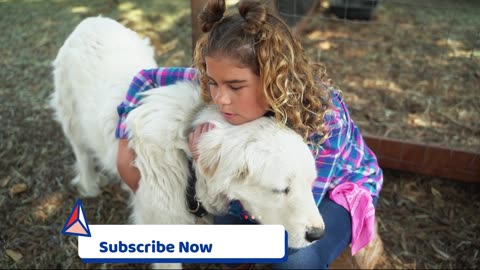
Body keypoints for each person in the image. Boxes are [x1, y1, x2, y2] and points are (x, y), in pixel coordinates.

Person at [115, 0, 383, 268]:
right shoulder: (226, 76)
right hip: (272, 185)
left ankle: (351, 235)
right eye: (212, 83)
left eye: (235, 86)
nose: (220, 98)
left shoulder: (324, 119)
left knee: (297, 261)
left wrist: (214, 168)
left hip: (332, 186)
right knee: (227, 247)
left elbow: (299, 204)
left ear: (271, 77)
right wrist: (124, 143)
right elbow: (144, 79)